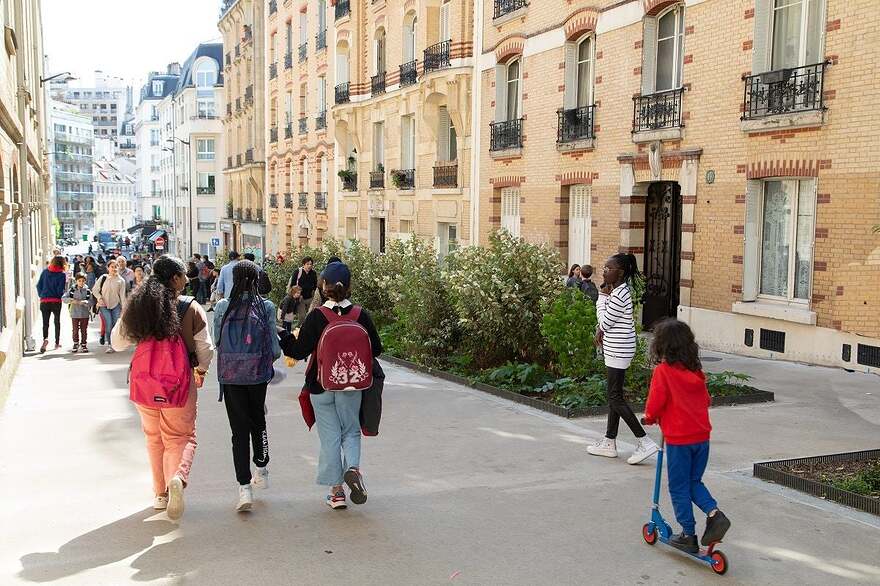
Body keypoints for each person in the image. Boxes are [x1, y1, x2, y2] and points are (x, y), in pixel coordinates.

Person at [111, 256, 214, 521]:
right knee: (180, 437)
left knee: (153, 438)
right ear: (175, 279)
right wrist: (201, 370)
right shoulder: (191, 308)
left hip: (144, 383)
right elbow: (205, 348)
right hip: (177, 384)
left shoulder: (139, 306)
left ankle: (160, 494)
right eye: (184, 275)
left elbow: (117, 343)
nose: (187, 280)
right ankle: (176, 478)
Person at [279, 262, 383, 510]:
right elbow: (377, 349)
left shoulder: (317, 316)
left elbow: (298, 351)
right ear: (348, 286)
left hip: (321, 385)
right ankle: (353, 469)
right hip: (352, 385)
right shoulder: (360, 315)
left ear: (323, 286)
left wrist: (284, 336)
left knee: (330, 438)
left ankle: (336, 493)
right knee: (351, 431)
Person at [642, 319, 731, 553]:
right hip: (702, 437)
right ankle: (714, 513)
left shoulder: (663, 371)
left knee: (679, 486)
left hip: (679, 440)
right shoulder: (696, 372)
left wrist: (649, 417)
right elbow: (706, 400)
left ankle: (688, 534)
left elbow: (656, 401)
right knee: (693, 482)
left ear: (662, 346)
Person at [212, 260, 282, 512]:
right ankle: (261, 468)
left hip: (231, 376)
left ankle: (244, 488)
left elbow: (217, 341)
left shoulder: (223, 306)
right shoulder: (266, 307)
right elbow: (275, 349)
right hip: (257, 375)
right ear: (256, 280)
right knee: (258, 422)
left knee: (238, 431)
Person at [587, 253, 659, 464]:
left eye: (608, 268)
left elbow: (605, 322)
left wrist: (601, 298)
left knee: (615, 397)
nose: (604, 272)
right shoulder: (619, 291)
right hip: (617, 348)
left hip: (618, 350)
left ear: (620, 273)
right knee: (614, 396)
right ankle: (609, 441)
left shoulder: (619, 294)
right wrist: (601, 325)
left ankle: (644, 441)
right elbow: (607, 323)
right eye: (604, 267)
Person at [92, 260, 128, 354]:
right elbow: (95, 290)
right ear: (108, 268)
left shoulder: (121, 280)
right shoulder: (103, 278)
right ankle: (110, 345)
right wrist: (99, 298)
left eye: (116, 266)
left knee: (115, 325)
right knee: (108, 324)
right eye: (112, 267)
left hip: (116, 305)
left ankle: (115, 343)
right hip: (104, 305)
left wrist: (124, 309)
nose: (114, 268)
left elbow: (122, 296)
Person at [36, 255, 68, 353]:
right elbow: (59, 290)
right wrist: (60, 295)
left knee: (45, 322)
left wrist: (42, 295)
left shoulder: (45, 272)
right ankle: (57, 342)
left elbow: (38, 285)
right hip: (56, 301)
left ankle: (45, 339)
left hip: (44, 301)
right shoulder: (62, 275)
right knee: (57, 321)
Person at [63, 273, 92, 353]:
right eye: (79, 281)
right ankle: (76, 343)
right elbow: (64, 298)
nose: (81, 282)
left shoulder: (88, 291)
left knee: (84, 330)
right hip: (74, 313)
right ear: (76, 281)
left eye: (83, 281)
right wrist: (72, 300)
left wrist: (85, 302)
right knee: (75, 330)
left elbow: (92, 301)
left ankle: (84, 344)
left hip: (84, 314)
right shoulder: (72, 290)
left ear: (85, 281)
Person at [287, 257, 317, 325]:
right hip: (300, 298)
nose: (309, 266)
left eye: (311, 264)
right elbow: (292, 285)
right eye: (307, 264)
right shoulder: (298, 272)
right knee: (302, 316)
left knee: (311, 315)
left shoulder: (313, 273)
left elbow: (315, 286)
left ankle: (309, 328)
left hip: (310, 298)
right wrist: (297, 295)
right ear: (303, 264)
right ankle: (301, 328)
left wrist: (314, 296)